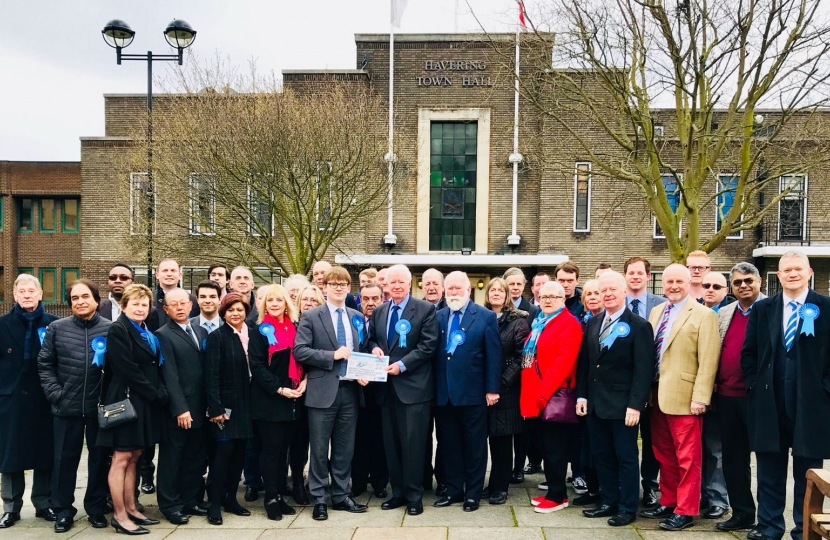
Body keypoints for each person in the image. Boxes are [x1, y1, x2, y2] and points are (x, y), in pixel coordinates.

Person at [742, 250, 830, 540]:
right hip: (770, 403)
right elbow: (749, 354)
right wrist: (755, 384)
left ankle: (804, 529)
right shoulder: (763, 309)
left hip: (811, 406)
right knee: (768, 470)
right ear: (778, 276)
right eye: (786, 270)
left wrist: (824, 389)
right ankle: (769, 527)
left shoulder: (826, 308)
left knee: (808, 474)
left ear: (809, 273)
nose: (792, 274)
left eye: (797, 269)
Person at [640, 264, 719, 531]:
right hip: (656, 394)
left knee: (688, 457)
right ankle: (669, 499)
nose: (673, 286)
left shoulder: (704, 315)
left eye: (679, 281)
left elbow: (708, 360)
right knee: (663, 453)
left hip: (686, 398)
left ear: (689, 283)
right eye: (669, 281)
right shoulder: (656, 311)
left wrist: (701, 397)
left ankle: (686, 509)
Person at [576, 272, 654, 527]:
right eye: (602, 290)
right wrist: (582, 396)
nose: (607, 294)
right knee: (602, 455)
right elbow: (586, 365)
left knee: (626, 457)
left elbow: (644, 370)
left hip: (623, 407)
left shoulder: (640, 326)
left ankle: (627, 507)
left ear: (624, 292)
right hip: (596, 404)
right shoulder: (594, 322)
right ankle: (608, 501)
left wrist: (635, 405)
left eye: (612, 289)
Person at [294, 265, 369, 521]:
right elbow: (300, 350)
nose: (338, 288)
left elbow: (362, 349)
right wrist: (331, 356)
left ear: (349, 289)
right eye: (333, 284)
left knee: (344, 448)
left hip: (350, 391)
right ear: (324, 288)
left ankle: (341, 495)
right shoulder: (312, 316)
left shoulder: (355, 316)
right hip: (322, 391)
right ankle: (319, 498)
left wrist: (364, 370)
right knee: (318, 448)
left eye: (343, 284)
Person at [38, 279, 111, 532]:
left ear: (96, 300)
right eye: (75, 298)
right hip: (65, 408)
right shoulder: (57, 328)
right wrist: (56, 393)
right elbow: (45, 364)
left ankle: (96, 508)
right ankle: (63, 511)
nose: (80, 302)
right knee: (63, 461)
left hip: (98, 409)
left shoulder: (111, 329)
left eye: (85, 297)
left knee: (100, 460)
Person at [96, 283, 167, 535]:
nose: (140, 308)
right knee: (121, 458)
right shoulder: (119, 329)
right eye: (135, 304)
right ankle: (119, 514)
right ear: (124, 306)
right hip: (127, 399)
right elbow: (127, 369)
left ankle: (131, 507)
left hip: (142, 402)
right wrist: (155, 393)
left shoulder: (146, 330)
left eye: (144, 304)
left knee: (135, 455)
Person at [368, 265, 439, 516]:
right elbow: (371, 338)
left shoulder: (425, 310)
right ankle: (397, 492)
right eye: (392, 282)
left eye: (401, 282)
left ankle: (414, 495)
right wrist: (375, 348)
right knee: (392, 444)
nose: (396, 286)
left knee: (413, 445)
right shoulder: (379, 311)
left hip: (413, 390)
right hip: (385, 390)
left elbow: (428, 346)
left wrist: (402, 365)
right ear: (385, 284)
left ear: (410, 284)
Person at [433, 271, 501, 512]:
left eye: (457, 288)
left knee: (475, 446)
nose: (453, 292)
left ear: (468, 290)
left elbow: (494, 356)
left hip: (473, 395)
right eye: (449, 288)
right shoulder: (437, 316)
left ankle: (472, 494)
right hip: (444, 395)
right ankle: (453, 490)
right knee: (448, 445)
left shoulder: (485, 317)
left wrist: (492, 389)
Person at [0, 274, 58, 529]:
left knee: (45, 452)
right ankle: (11, 508)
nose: (26, 295)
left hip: (44, 398)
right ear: (14, 295)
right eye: (21, 291)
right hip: (11, 400)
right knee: (10, 455)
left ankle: (43, 503)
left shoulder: (54, 324)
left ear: (40, 294)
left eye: (31, 291)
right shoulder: (2, 325)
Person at [520, 281, 583, 513]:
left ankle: (557, 496)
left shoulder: (568, 323)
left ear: (563, 299)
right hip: (536, 396)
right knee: (546, 447)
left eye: (553, 297)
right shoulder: (540, 322)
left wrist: (542, 393)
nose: (547, 300)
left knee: (555, 449)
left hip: (552, 396)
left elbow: (563, 363)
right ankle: (553, 491)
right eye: (544, 296)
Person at [713, 262, 764, 534]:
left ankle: (768, 519)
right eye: (737, 282)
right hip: (727, 397)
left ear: (759, 281)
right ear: (731, 288)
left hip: (759, 399)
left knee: (768, 460)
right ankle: (742, 513)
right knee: (733, 459)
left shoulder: (771, 308)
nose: (743, 285)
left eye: (748, 280)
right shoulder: (724, 313)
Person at [249, 284, 306, 521]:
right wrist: (280, 389)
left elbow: (304, 358)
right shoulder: (259, 330)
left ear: (286, 303)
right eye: (270, 300)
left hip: (294, 399)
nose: (274, 304)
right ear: (264, 305)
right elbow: (257, 366)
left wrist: (304, 382)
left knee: (284, 450)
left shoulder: (295, 328)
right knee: (271, 451)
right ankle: (270, 497)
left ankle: (280, 494)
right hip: (270, 399)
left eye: (278, 300)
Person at [155, 288, 210, 525]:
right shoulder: (162, 335)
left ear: (191, 305)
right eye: (173, 304)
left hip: (201, 405)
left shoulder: (199, 329)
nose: (179, 307)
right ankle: (170, 504)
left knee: (194, 457)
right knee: (172, 457)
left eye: (183, 303)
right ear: (165, 309)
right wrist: (180, 408)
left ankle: (190, 499)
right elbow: (169, 375)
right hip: (180, 409)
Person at [204, 293, 255, 525]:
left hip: (248, 405)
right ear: (223, 313)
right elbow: (211, 375)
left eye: (240, 309)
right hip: (225, 406)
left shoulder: (252, 334)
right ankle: (215, 502)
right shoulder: (218, 337)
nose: (236, 313)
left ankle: (232, 499)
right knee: (223, 454)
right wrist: (215, 407)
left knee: (239, 455)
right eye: (231, 310)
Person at [481, 277, 530, 505]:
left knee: (502, 442)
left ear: (507, 294)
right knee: (487, 439)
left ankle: (500, 487)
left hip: (506, 390)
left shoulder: (518, 322)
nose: (497, 293)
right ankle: (490, 484)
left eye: (501, 290)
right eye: (493, 290)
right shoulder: (481, 317)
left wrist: (501, 382)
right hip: (482, 390)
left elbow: (523, 357)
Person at [623, 256, 663, 508]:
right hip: (623, 387)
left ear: (648, 277)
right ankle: (624, 485)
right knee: (625, 441)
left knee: (651, 440)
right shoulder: (616, 305)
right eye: (631, 273)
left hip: (655, 386)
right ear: (624, 276)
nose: (635, 277)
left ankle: (649, 485)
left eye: (640, 273)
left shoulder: (661, 306)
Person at [698, 270, 731, 519]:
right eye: (706, 285)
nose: (710, 289)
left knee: (715, 448)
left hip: (721, 393)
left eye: (716, 286)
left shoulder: (730, 314)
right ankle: (699, 495)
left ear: (725, 291)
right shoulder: (694, 311)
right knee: (693, 448)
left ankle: (718, 498)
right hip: (693, 393)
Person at [351, 282, 389, 500]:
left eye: (375, 298)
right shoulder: (351, 320)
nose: (370, 303)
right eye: (366, 299)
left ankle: (379, 482)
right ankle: (357, 483)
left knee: (379, 438)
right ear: (359, 300)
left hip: (380, 389)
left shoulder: (386, 321)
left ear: (382, 298)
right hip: (354, 387)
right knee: (357, 438)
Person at [288, 283, 324, 505]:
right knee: (298, 440)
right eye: (306, 299)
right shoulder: (290, 326)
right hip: (295, 390)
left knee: (319, 440)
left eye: (314, 300)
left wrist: (309, 378)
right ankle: (298, 483)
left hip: (319, 387)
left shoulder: (323, 325)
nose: (309, 304)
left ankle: (317, 481)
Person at [419, 267, 446, 493]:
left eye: (435, 283)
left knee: (445, 436)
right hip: (420, 384)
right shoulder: (416, 310)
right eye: (427, 283)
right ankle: (423, 478)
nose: (431, 287)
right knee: (422, 435)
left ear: (442, 287)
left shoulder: (452, 309)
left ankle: (444, 479)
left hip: (445, 384)